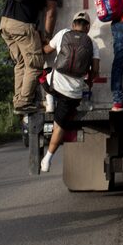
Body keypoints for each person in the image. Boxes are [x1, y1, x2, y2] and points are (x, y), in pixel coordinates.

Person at [0, 0, 67, 114]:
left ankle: (18, 100)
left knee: (21, 63)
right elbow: (51, 12)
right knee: (35, 63)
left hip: (5, 23)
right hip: (22, 25)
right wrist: (47, 36)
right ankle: (24, 102)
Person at [39, 11, 100, 173]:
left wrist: (42, 41)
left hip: (53, 86)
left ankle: (49, 101)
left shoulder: (62, 34)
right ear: (87, 27)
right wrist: (88, 83)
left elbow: (46, 51)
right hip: (72, 95)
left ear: (73, 25)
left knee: (43, 72)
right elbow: (95, 71)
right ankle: (47, 159)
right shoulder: (92, 44)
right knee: (59, 127)